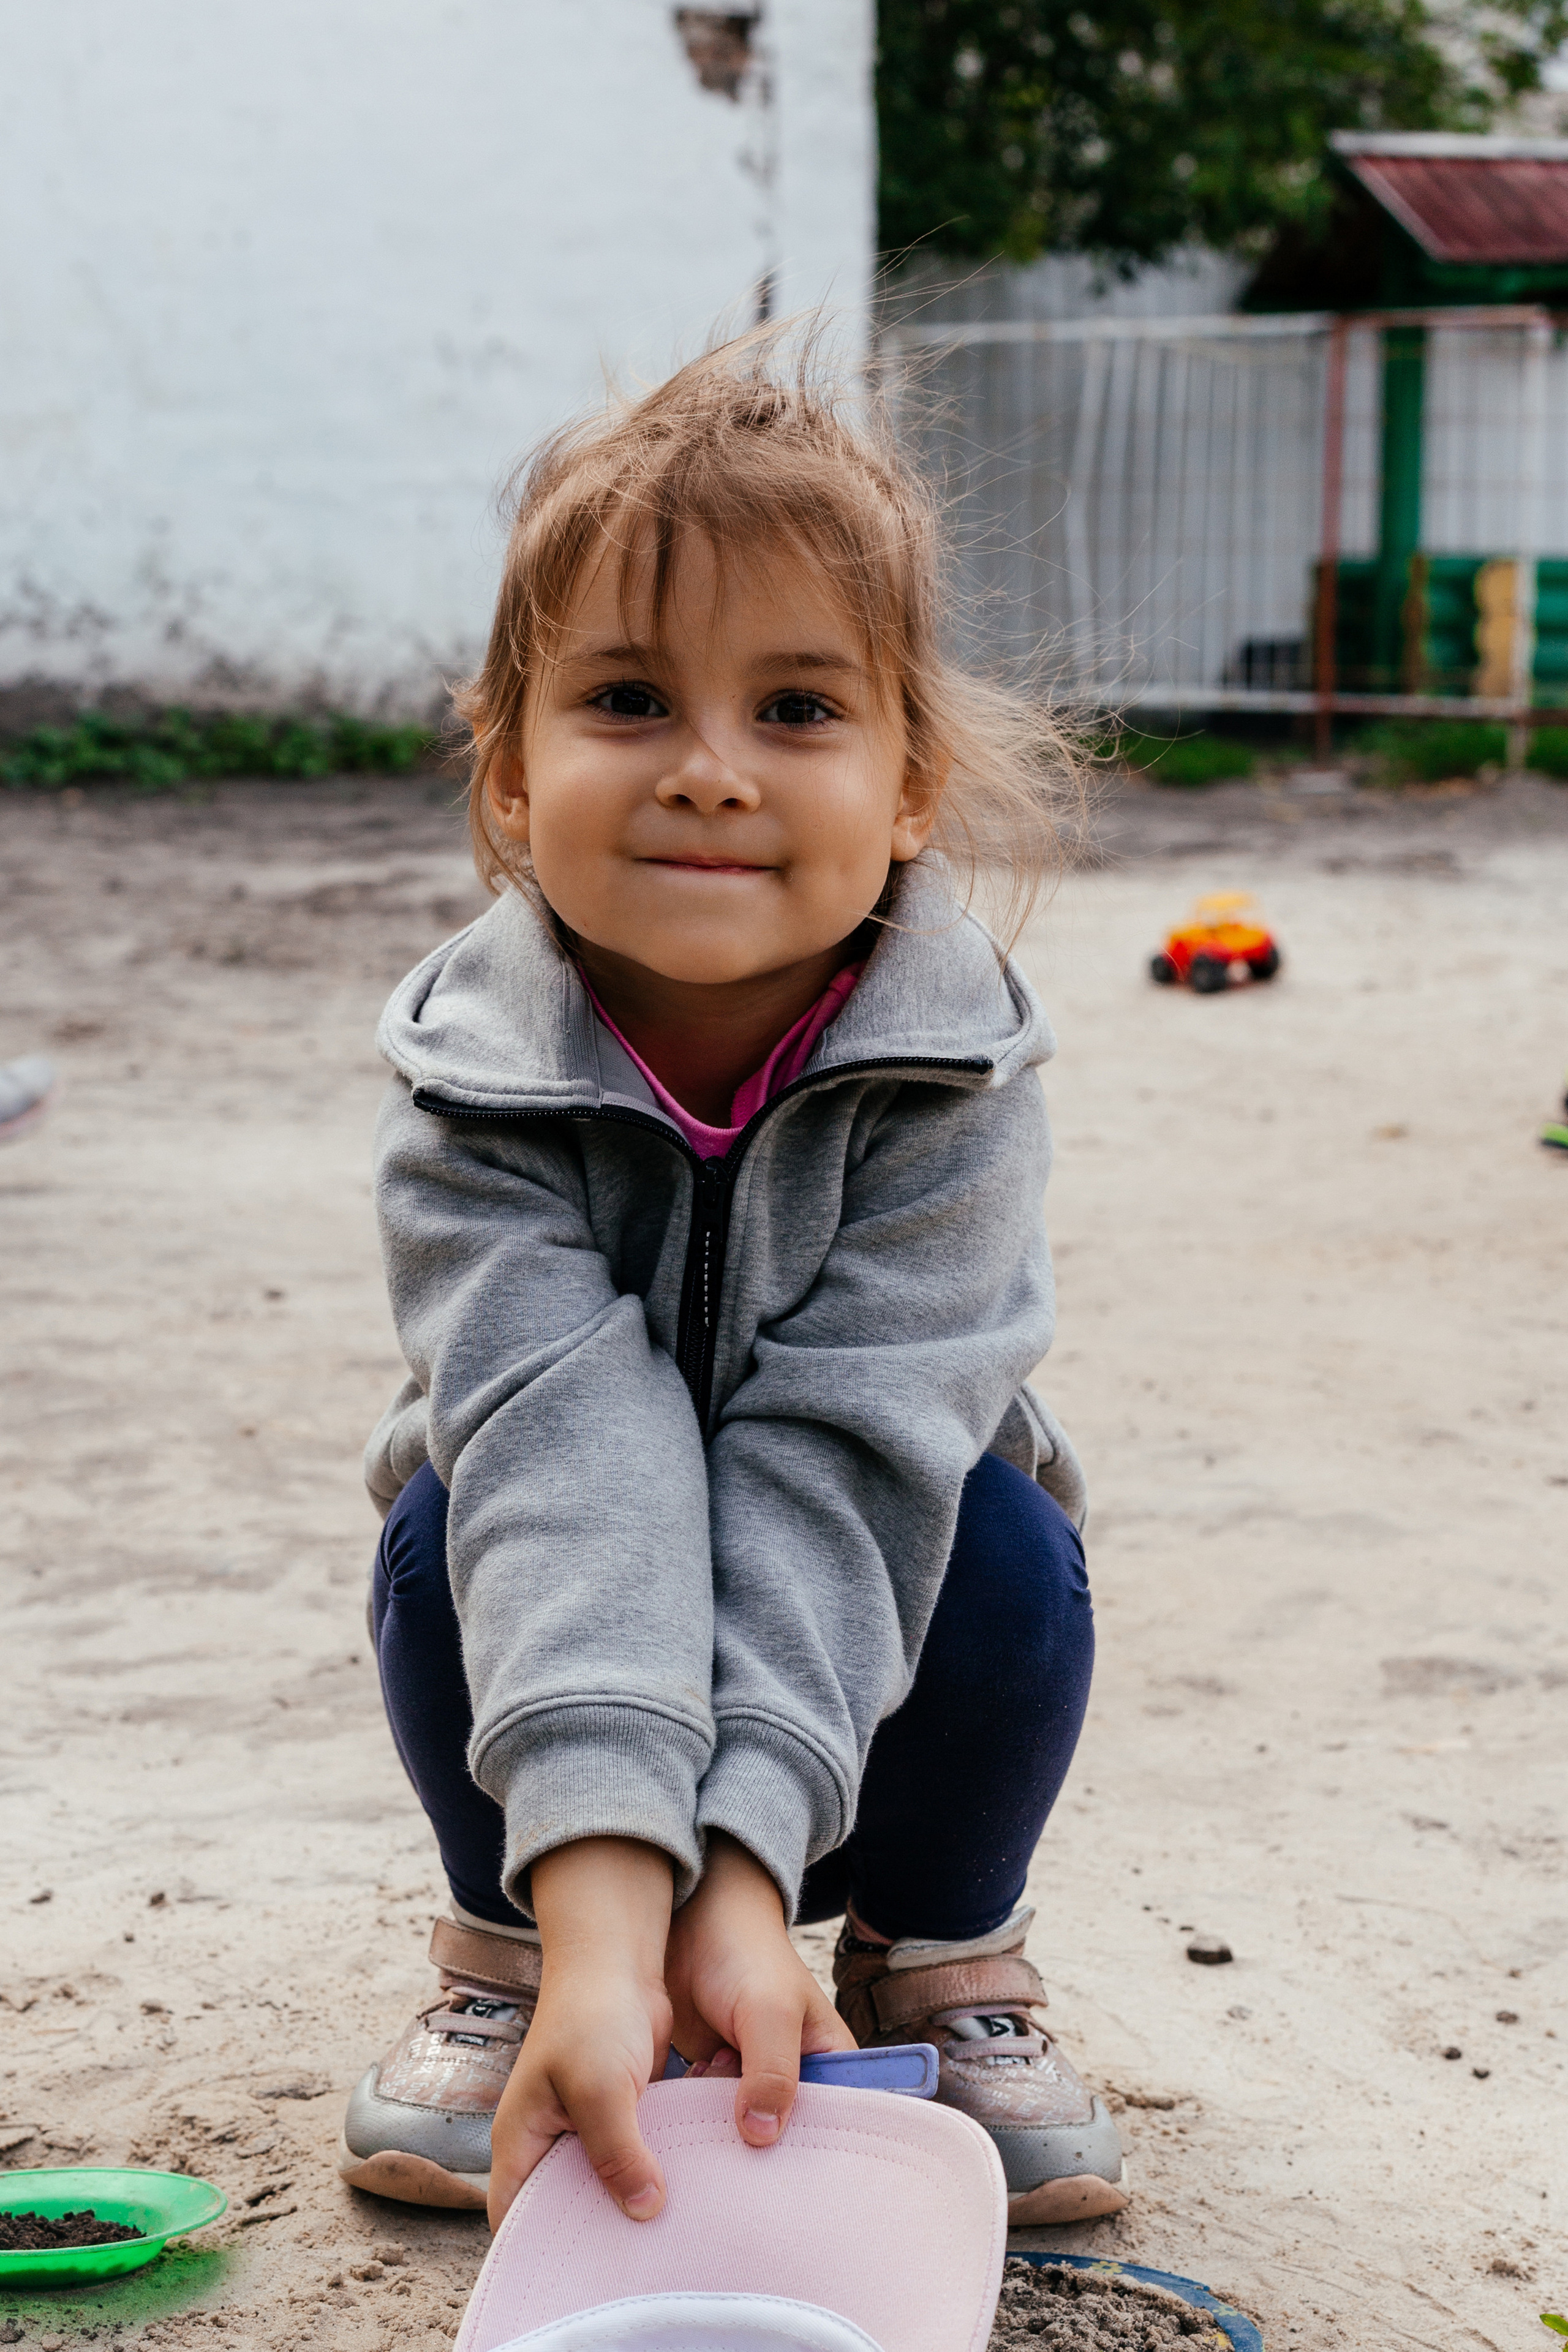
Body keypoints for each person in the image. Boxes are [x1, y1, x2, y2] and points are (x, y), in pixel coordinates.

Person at [339, 328, 1126, 2236]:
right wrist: (622, 1925)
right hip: (559, 1600)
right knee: (450, 1522)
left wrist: (750, 1882)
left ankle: (941, 1954)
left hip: (869, 1611)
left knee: (997, 1530)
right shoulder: (476, 1075)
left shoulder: (958, 1073)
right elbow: (564, 1456)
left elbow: (839, 1462)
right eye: (625, 697)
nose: (709, 773)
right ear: (511, 778)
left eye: (796, 708)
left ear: (912, 784)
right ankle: (520, 1950)